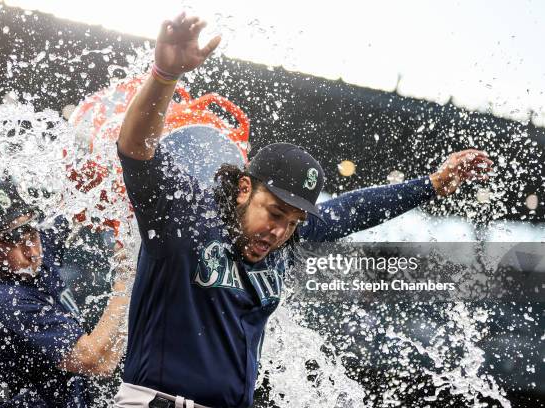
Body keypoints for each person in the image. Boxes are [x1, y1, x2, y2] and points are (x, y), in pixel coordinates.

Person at [114, 13, 493, 408]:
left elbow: (350, 211)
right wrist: (163, 76)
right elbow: (137, 151)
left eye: (294, 222)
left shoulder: (286, 237)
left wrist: (430, 184)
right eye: (275, 213)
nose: (280, 231)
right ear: (245, 188)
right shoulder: (181, 215)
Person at [0, 181, 133, 407]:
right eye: (14, 239)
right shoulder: (5, 303)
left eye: (31, 231)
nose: (33, 251)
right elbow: (96, 361)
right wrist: (127, 276)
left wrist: (100, 182)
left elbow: (76, 204)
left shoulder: (27, 257)